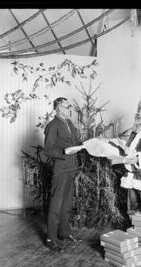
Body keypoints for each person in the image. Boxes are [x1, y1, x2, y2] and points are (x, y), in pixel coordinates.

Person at [43, 97, 79, 251]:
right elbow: (48, 150)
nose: (69, 108)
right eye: (66, 106)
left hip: (71, 168)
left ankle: (64, 233)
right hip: (60, 169)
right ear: (58, 109)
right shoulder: (52, 125)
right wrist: (64, 151)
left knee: (66, 205)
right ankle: (51, 238)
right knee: (56, 205)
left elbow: (73, 143)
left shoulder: (69, 123)